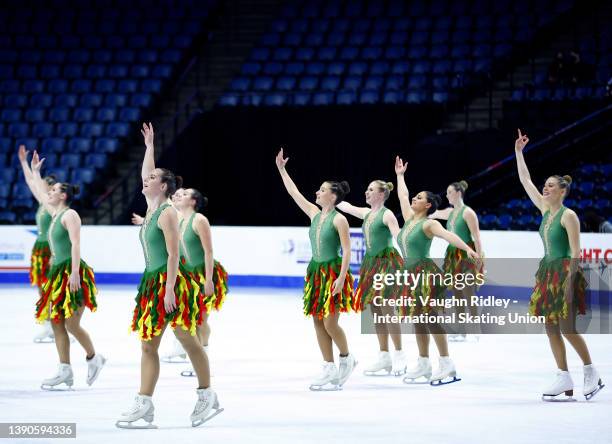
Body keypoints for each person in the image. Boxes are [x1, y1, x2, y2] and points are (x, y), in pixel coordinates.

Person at [116, 123, 222, 428]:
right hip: (152, 281)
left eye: (152, 179)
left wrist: (171, 289)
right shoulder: (151, 205)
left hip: (171, 282)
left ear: (163, 186)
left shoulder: (166, 213)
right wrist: (149, 146)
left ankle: (207, 394)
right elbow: (145, 173)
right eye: (147, 178)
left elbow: (176, 254)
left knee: (188, 339)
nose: (145, 180)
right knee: (148, 344)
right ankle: (145, 404)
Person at [514, 129, 604, 401]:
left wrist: (568, 284)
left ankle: (591, 372)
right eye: (546, 185)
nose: (545, 187)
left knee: (567, 328)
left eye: (551, 185)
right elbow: (525, 180)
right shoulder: (544, 209)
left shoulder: (569, 216)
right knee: (550, 326)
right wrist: (519, 152)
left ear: (562, 190)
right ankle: (563, 375)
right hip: (547, 273)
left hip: (565, 273)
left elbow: (576, 252)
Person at [275, 148, 357, 391]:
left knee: (331, 323)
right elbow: (294, 192)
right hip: (316, 273)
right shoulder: (313, 213)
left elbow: (347, 251)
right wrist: (281, 169)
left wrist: (342, 278)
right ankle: (328, 366)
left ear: (333, 196)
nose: (317, 193)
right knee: (318, 322)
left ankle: (346, 357)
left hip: (333, 273)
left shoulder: (339, 219)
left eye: (322, 190)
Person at [394, 157, 479, 386]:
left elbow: (449, 236)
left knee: (430, 318)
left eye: (419, 197)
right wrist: (400, 176)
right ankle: (423, 362)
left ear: (428, 205)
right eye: (416, 196)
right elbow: (403, 195)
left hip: (424, 274)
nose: (414, 198)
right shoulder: (409, 219)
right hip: (410, 275)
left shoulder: (428, 224)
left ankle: (446, 362)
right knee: (418, 319)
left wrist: (468, 250)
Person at [30, 152, 105, 390]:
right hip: (57, 273)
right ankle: (65, 369)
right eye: (49, 192)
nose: (49, 193)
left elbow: (75, 244)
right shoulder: (55, 214)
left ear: (63, 195)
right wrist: (34, 171)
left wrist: (74, 272)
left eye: (53, 191)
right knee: (56, 321)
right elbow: (40, 193)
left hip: (71, 273)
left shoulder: (70, 214)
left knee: (71, 324)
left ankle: (95, 357)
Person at [336, 181, 406, 376]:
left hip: (386, 263)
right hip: (371, 264)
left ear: (382, 194)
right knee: (375, 310)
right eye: (366, 189)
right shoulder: (367, 213)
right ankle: (384, 355)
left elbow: (398, 236)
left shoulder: (387, 214)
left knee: (387, 309)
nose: (366, 192)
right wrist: (335, 195)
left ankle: (399, 354)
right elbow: (347, 207)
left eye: (371, 190)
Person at [174, 187, 229, 377]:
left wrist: (208, 280)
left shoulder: (199, 220)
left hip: (203, 275)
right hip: (186, 277)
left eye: (185, 194)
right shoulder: (178, 219)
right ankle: (198, 359)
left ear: (193, 201)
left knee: (201, 319)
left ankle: (203, 358)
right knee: (190, 320)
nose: (180, 196)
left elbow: (208, 251)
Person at [430, 180, 484, 341]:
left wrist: (479, 259)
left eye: (449, 192)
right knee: (457, 293)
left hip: (467, 254)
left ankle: (475, 328)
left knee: (468, 292)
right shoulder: (449, 212)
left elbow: (477, 237)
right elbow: (434, 214)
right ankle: (461, 329)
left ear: (458, 193)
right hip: (452, 256)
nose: (446, 195)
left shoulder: (468, 213)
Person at [18, 145, 56, 343]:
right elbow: (31, 182)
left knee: (50, 287)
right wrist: (24, 163)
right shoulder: (42, 203)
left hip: (50, 250)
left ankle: (56, 324)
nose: (39, 186)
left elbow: (36, 183)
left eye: (44, 185)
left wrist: (35, 172)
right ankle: (48, 323)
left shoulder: (53, 207)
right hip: (39, 248)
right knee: (41, 287)